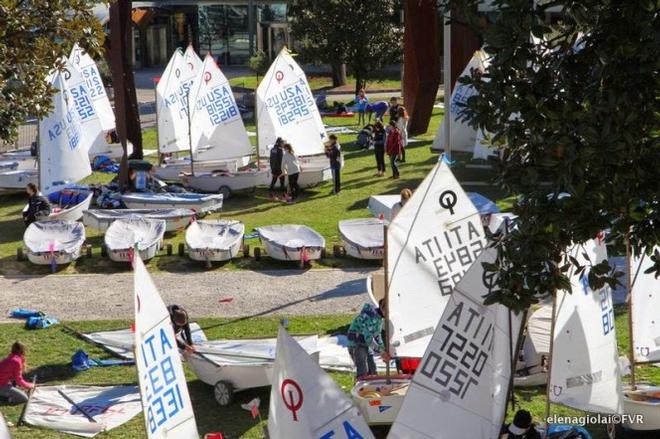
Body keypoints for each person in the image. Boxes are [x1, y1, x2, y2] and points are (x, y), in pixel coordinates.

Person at [347, 300, 390, 379]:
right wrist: (382, 352)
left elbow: (377, 336)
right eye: (387, 311)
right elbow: (369, 338)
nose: (388, 314)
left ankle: (373, 383)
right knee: (363, 368)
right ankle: (361, 384)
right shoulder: (369, 317)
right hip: (356, 343)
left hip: (365, 344)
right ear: (381, 308)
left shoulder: (379, 319)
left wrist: (383, 350)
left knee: (372, 368)